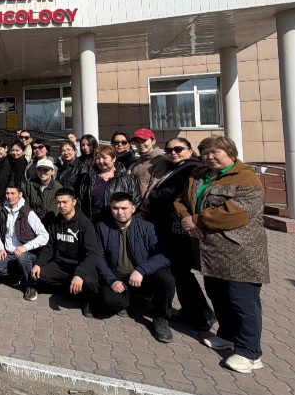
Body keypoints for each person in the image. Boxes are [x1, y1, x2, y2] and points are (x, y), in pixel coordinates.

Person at [174, 135, 269, 374]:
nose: (209, 157)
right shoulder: (199, 174)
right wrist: (186, 217)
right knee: (218, 295)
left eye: (215, 152)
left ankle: (250, 353)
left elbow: (237, 213)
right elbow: (181, 200)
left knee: (242, 301)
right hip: (210, 251)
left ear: (230, 153)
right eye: (205, 152)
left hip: (238, 251)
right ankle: (227, 336)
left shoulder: (246, 177)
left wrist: (197, 220)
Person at [146, 137, 216, 332]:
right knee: (179, 271)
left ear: (190, 150)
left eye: (178, 149)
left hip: (178, 228)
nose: (173, 153)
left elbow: (169, 194)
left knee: (181, 271)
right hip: (170, 226)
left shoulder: (190, 168)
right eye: (169, 150)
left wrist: (154, 195)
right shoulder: (176, 167)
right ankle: (193, 311)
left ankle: (202, 314)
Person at [92, 191, 176, 343]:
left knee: (166, 278)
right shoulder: (102, 227)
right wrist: (111, 280)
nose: (120, 212)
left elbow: (162, 256)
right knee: (108, 302)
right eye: (115, 208)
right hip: (118, 276)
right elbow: (99, 258)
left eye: (124, 208)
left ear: (133, 208)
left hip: (142, 276)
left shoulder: (147, 227)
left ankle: (161, 317)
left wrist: (141, 270)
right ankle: (132, 301)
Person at [29, 188, 100, 305]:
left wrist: (79, 274)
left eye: (65, 202)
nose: (61, 205)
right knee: (38, 275)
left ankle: (88, 302)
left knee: (90, 283)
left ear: (74, 202)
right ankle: (69, 287)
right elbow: (49, 247)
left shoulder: (85, 224)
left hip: (80, 265)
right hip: (62, 266)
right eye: (58, 202)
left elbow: (92, 254)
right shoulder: (55, 222)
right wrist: (38, 264)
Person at [0, 182, 49, 300]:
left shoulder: (28, 212)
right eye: (7, 193)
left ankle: (31, 285)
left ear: (20, 194)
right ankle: (19, 273)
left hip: (27, 253)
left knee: (22, 257)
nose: (9, 196)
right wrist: (1, 248)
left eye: (13, 193)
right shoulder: (1, 210)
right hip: (9, 252)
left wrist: (25, 247)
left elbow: (44, 236)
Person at [74, 143, 139, 225]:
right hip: (93, 223)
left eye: (104, 158)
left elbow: (135, 200)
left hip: (117, 224)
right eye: (98, 158)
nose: (101, 161)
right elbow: (80, 199)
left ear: (114, 158)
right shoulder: (88, 177)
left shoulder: (126, 178)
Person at [130, 127, 170, 208]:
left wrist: (144, 209)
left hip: (149, 208)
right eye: (137, 141)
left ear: (153, 141)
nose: (141, 144)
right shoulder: (138, 161)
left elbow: (154, 186)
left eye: (144, 140)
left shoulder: (161, 161)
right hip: (135, 206)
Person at [24, 157, 62, 226]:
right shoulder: (30, 184)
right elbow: (26, 205)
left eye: (46, 170)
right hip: (30, 222)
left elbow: (53, 210)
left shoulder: (57, 188)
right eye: (39, 170)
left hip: (49, 224)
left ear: (52, 171)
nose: (42, 173)